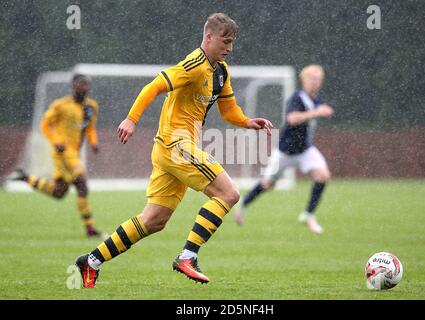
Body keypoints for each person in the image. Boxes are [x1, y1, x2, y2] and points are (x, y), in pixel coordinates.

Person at [74, 13, 273, 288]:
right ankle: (187, 256)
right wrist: (131, 119)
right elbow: (154, 85)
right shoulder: (193, 65)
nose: (229, 48)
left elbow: (228, 110)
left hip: (170, 149)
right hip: (176, 144)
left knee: (153, 220)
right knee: (229, 193)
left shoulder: (221, 72)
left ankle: (91, 261)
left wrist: (247, 122)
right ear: (208, 37)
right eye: (225, 42)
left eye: (232, 43)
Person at [234, 64, 334, 234]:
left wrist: (321, 110)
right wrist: (317, 113)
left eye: (317, 79)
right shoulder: (297, 98)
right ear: (303, 80)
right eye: (311, 78)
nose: (314, 82)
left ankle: (308, 215)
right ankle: (243, 204)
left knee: (323, 175)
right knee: (267, 184)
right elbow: (292, 119)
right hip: (285, 151)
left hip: (305, 150)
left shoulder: (315, 101)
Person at [9, 74, 106, 238]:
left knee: (59, 192)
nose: (84, 87)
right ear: (73, 85)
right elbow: (45, 124)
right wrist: (55, 141)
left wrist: (93, 142)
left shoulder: (91, 106)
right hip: (62, 152)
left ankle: (26, 178)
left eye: (87, 84)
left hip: (74, 153)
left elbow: (90, 128)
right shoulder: (61, 105)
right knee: (82, 183)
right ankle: (90, 229)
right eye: (81, 84)